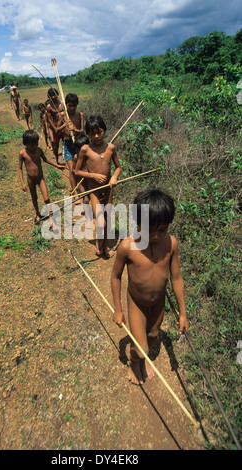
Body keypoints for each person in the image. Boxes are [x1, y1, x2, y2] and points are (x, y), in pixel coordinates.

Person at [111, 188, 189, 385]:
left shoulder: (171, 244)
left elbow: (177, 278)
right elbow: (116, 276)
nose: (155, 236)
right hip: (137, 302)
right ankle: (134, 361)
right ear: (138, 223)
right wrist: (118, 310)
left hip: (158, 303)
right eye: (149, 230)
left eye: (162, 230)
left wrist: (182, 313)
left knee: (154, 335)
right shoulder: (128, 247)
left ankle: (142, 357)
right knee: (141, 347)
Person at [74, 115, 122, 258]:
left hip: (108, 189)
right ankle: (98, 242)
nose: (96, 136)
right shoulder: (85, 149)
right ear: (87, 134)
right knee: (100, 221)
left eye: (99, 132)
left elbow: (118, 167)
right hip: (94, 190)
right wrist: (93, 176)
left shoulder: (110, 148)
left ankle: (105, 246)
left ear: (105, 131)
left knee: (107, 218)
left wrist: (114, 177)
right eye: (92, 133)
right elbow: (77, 171)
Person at [18, 130, 65, 224]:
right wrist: (22, 183)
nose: (35, 146)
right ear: (26, 143)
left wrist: (57, 165)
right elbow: (20, 168)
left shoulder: (38, 150)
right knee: (34, 197)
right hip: (30, 179)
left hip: (40, 178)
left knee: (47, 198)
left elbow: (45, 159)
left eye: (36, 144)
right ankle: (38, 214)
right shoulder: (22, 153)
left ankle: (51, 217)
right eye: (32, 145)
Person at [62, 93, 84, 194]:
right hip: (68, 143)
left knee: (79, 168)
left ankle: (82, 189)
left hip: (78, 143)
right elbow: (57, 130)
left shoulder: (80, 115)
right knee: (71, 169)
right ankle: (75, 193)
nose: (71, 108)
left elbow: (83, 131)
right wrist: (64, 125)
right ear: (66, 105)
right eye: (69, 105)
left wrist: (75, 129)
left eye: (74, 106)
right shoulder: (63, 115)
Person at [45, 88, 64, 165]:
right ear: (49, 97)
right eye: (51, 96)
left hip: (63, 127)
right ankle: (56, 159)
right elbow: (49, 120)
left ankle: (67, 161)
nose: (53, 97)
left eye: (54, 95)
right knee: (55, 145)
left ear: (57, 95)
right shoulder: (49, 106)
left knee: (66, 144)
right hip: (55, 127)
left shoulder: (62, 103)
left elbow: (66, 115)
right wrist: (55, 128)